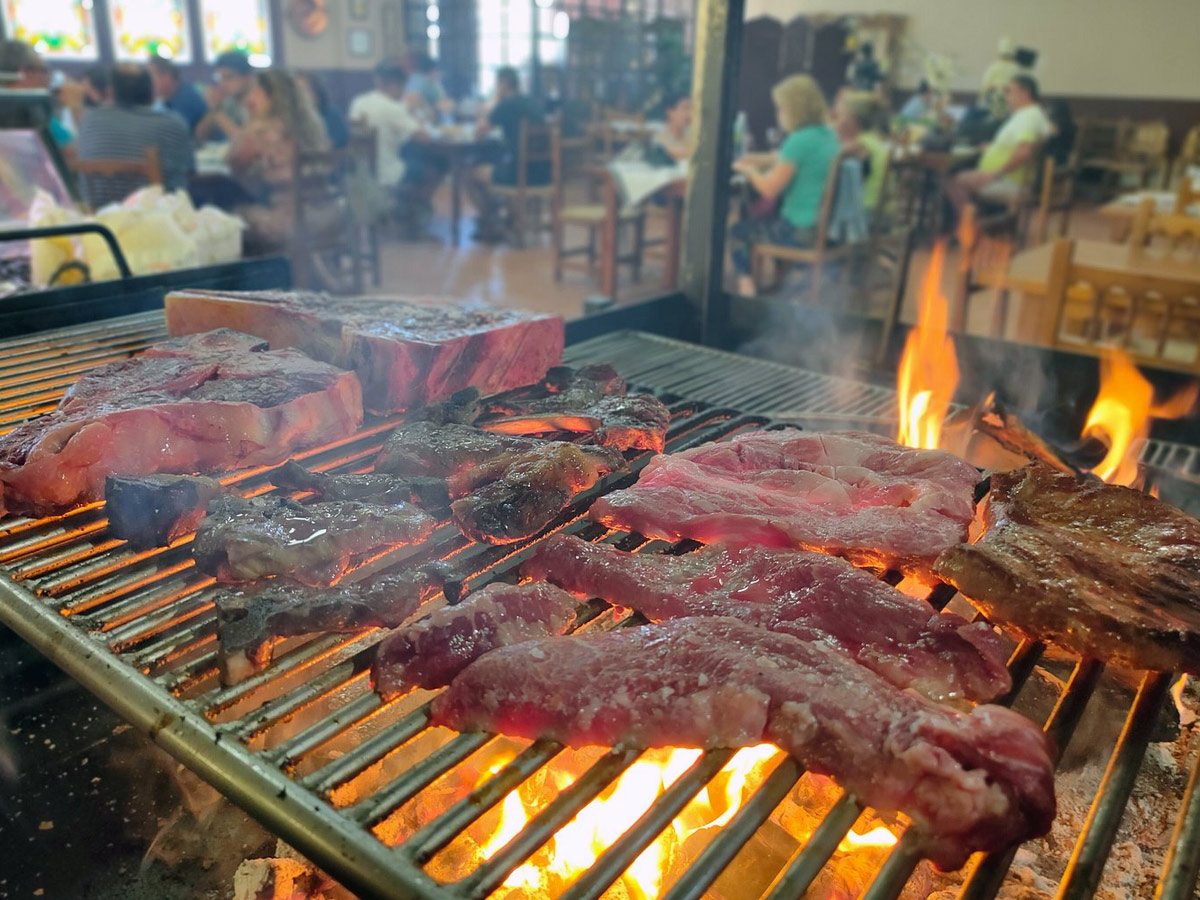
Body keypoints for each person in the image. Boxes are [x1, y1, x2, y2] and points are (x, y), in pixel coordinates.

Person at [728, 74, 840, 296]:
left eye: (780, 109)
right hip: (825, 229)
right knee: (768, 221)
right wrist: (762, 159)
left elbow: (769, 188)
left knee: (738, 231)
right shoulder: (828, 136)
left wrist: (748, 170)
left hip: (798, 232)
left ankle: (746, 286)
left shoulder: (798, 140)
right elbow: (788, 158)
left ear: (794, 109)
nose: (778, 114)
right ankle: (786, 283)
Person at [222, 68, 330, 251]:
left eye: (255, 91)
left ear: (271, 96)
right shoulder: (311, 125)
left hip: (288, 221)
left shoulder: (262, 130)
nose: (249, 99)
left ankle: (266, 276)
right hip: (325, 213)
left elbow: (234, 164)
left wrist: (251, 121)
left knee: (227, 219)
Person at [76, 63, 194, 208]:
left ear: (111, 92)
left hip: (100, 222)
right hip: (158, 221)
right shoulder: (173, 124)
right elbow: (190, 172)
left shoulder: (89, 118)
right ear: (151, 93)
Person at [946, 74, 1051, 217]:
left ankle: (970, 227)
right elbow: (1017, 145)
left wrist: (996, 174)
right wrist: (993, 148)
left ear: (1025, 93)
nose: (1006, 96)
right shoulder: (1029, 114)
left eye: (1009, 91)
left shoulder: (1029, 117)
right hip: (1008, 178)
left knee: (953, 181)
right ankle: (980, 225)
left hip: (1009, 182)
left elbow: (1025, 152)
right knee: (959, 177)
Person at [465, 66, 548, 242]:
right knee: (496, 163)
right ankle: (502, 215)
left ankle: (490, 222)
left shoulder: (506, 104)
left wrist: (492, 102)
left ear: (503, 84)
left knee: (471, 173)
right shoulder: (532, 102)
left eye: (497, 84)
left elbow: (480, 131)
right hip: (543, 172)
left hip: (519, 172)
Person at [349, 60, 425, 190]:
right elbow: (423, 137)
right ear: (399, 85)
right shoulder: (392, 107)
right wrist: (411, 110)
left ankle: (409, 205)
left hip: (360, 172)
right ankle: (411, 204)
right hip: (388, 173)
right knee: (432, 164)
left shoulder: (359, 102)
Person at [0, 39, 75, 151]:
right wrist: (76, 108)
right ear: (26, 73)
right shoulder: (36, 108)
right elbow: (73, 154)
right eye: (45, 70)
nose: (49, 78)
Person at [834, 89, 889, 212]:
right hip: (879, 208)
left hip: (863, 211)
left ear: (852, 120)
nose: (837, 121)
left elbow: (830, 161)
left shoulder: (858, 145)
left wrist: (835, 132)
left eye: (840, 116)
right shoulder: (874, 140)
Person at [195, 50, 253, 142]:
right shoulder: (229, 100)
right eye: (220, 78)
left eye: (229, 77)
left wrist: (217, 111)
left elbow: (245, 142)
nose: (222, 84)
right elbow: (199, 136)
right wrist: (213, 108)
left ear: (247, 78)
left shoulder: (258, 102)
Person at [148, 56, 208, 134]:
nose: (147, 82)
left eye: (150, 77)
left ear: (166, 77)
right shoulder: (171, 96)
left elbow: (172, 133)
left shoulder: (186, 98)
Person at [297, 72, 348, 148]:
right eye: (296, 91)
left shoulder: (331, 114)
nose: (300, 95)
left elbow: (341, 138)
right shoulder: (290, 117)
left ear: (315, 91)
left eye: (304, 90)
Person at [979, 37, 1020, 121]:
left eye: (1007, 56)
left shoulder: (1016, 69)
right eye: (1004, 56)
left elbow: (1019, 86)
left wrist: (1007, 88)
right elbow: (984, 86)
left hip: (1009, 104)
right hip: (993, 100)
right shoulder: (993, 67)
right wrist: (995, 87)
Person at [405, 54, 451, 122]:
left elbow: (444, 102)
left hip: (432, 117)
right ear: (432, 70)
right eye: (437, 70)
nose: (439, 74)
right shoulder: (420, 80)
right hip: (420, 117)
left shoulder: (433, 82)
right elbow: (412, 97)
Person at [653, 91, 692, 163]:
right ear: (670, 112)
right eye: (685, 108)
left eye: (691, 109)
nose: (689, 114)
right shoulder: (661, 139)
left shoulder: (690, 133)